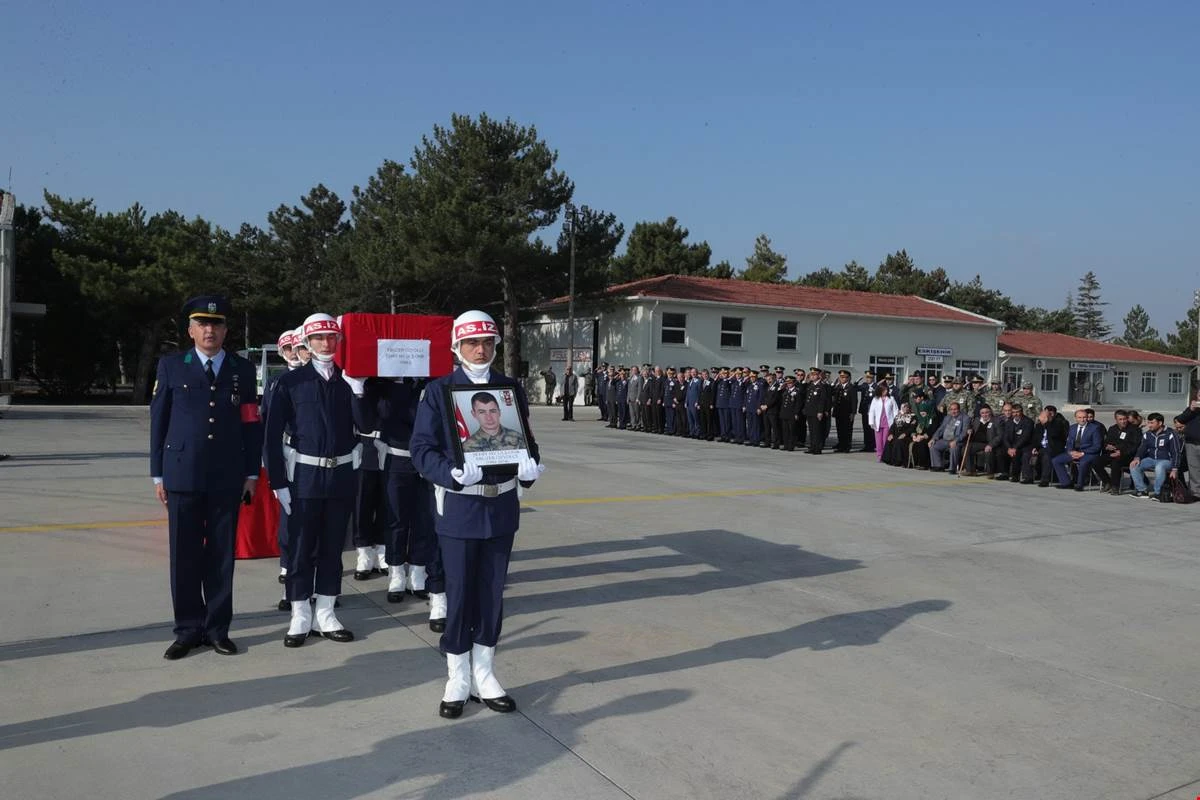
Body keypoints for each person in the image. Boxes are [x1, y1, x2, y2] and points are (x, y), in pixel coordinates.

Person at [410, 310, 544, 719]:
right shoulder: (439, 390)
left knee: (491, 593)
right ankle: (457, 676)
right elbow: (421, 449)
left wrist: (530, 470)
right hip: (461, 507)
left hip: (501, 505)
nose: (480, 349)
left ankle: (485, 672)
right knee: (461, 591)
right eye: (472, 343)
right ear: (457, 347)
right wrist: (449, 475)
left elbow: (526, 442)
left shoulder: (510, 389)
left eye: (487, 342)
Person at [150, 295, 262, 660]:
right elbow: (159, 421)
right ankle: (187, 630)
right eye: (202, 324)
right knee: (183, 557)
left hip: (226, 476)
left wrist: (250, 473)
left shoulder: (242, 370)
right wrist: (157, 475)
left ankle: (217, 629)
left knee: (220, 556)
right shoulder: (171, 366)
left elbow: (249, 423)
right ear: (190, 330)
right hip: (181, 474)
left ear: (226, 330)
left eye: (216, 324)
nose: (209, 330)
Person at [264, 312, 365, 648]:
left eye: (331, 337)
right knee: (300, 548)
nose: (325, 343)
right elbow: (271, 435)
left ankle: (326, 610)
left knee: (332, 547)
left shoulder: (346, 382)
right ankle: (299, 613)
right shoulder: (289, 383)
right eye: (319, 338)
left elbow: (363, 427)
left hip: (339, 476)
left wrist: (359, 390)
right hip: (303, 477)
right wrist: (278, 482)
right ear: (306, 342)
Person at [1128, 413, 1182, 499]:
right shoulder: (1148, 434)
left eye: (1152, 423)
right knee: (1134, 465)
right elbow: (1142, 448)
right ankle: (1142, 491)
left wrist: (1175, 469)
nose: (1149, 425)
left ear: (1160, 423)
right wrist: (1137, 458)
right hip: (1151, 459)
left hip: (1167, 460)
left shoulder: (1170, 434)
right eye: (1148, 422)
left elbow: (1176, 452)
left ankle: (1158, 493)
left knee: (1159, 467)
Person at [1052, 409, 1104, 491]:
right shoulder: (1072, 428)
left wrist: (1083, 453)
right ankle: (1066, 483)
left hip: (1089, 453)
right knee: (1056, 460)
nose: (1082, 420)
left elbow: (1097, 446)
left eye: (1084, 417)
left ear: (1087, 418)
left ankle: (1080, 485)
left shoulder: (1095, 428)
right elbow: (1069, 442)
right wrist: (1070, 451)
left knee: (1083, 463)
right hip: (1074, 452)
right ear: (1076, 418)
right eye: (1079, 417)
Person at [1093, 410, 1143, 494]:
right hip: (1112, 453)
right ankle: (1107, 482)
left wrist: (1121, 452)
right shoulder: (1113, 428)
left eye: (1124, 419)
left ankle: (1115, 486)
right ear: (1116, 419)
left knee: (1116, 462)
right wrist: (1107, 446)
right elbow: (1106, 441)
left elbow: (1134, 446)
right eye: (1120, 419)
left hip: (1127, 455)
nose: (1123, 421)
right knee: (1095, 461)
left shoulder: (1135, 430)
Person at [462, 392, 528, 452]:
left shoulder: (519, 438)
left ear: (499, 412)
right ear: (474, 414)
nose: (489, 417)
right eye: (482, 412)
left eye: (492, 411)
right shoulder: (467, 446)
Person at [1029, 405, 1066, 486]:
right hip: (1042, 447)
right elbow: (1035, 438)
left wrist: (1047, 424)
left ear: (1049, 416)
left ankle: (1045, 480)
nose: (1040, 419)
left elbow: (1054, 434)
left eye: (1043, 417)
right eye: (1040, 417)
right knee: (1027, 453)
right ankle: (1029, 477)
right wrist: (1034, 447)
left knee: (1046, 455)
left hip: (1054, 448)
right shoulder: (1039, 425)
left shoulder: (1057, 423)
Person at [929, 402, 967, 474]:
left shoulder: (965, 418)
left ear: (959, 409)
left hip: (957, 441)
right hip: (945, 440)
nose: (953, 411)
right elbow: (940, 429)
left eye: (955, 409)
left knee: (954, 448)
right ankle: (938, 466)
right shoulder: (947, 417)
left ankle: (952, 468)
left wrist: (956, 441)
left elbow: (964, 432)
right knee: (933, 446)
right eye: (951, 409)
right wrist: (933, 438)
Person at [802, 367, 831, 454]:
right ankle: (812, 447)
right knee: (811, 430)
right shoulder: (811, 385)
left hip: (817, 412)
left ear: (818, 376)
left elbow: (822, 400)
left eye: (814, 375)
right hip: (810, 412)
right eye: (811, 375)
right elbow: (807, 398)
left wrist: (820, 411)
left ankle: (817, 448)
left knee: (817, 431)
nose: (812, 376)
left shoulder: (821, 386)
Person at [867, 384, 898, 461]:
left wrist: (896, 421)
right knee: (878, 441)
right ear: (880, 391)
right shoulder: (875, 399)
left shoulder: (891, 398)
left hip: (888, 423)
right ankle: (879, 455)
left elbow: (895, 410)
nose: (886, 391)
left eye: (886, 390)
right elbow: (871, 411)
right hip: (877, 423)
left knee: (885, 440)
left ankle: (886, 455)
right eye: (884, 390)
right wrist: (871, 422)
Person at [831, 369, 857, 453]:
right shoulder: (838, 387)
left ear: (848, 378)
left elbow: (854, 401)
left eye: (844, 377)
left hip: (847, 413)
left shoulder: (851, 387)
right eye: (841, 377)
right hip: (839, 412)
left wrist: (853, 413)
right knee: (840, 430)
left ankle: (846, 447)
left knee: (847, 430)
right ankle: (841, 445)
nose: (842, 379)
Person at [857, 370, 876, 452]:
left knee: (872, 428)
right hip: (865, 410)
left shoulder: (876, 386)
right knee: (865, 428)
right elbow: (855, 388)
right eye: (866, 377)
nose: (867, 379)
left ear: (872, 378)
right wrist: (857, 381)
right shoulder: (864, 385)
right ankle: (867, 445)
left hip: (872, 411)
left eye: (869, 377)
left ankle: (872, 445)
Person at [626, 365, 643, 431]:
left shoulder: (639, 378)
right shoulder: (631, 378)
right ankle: (633, 425)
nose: (634, 371)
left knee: (637, 412)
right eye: (632, 370)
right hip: (630, 398)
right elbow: (629, 389)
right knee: (632, 413)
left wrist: (638, 398)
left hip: (636, 398)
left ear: (637, 370)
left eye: (635, 370)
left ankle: (638, 425)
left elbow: (639, 389)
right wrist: (627, 398)